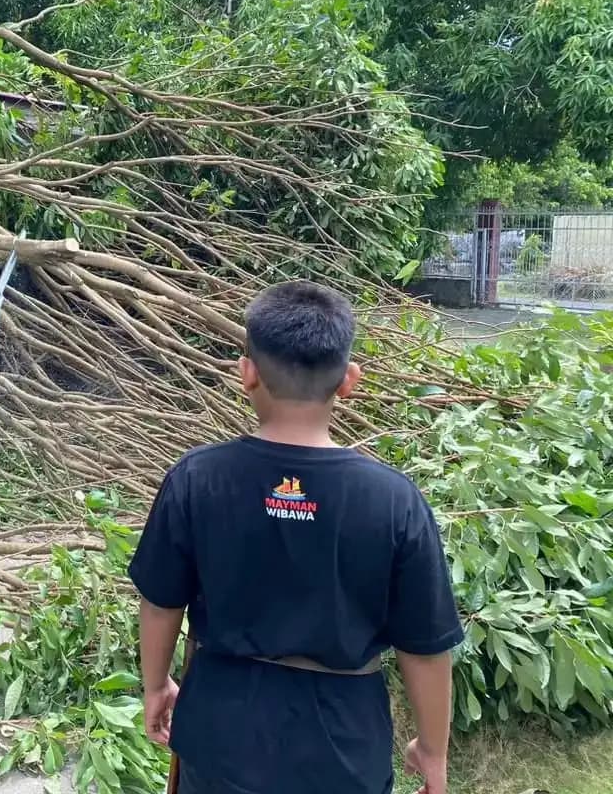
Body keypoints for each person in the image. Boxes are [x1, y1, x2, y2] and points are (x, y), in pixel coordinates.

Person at [130, 280, 464, 794]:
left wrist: (156, 685)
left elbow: (160, 602)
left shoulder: (198, 478)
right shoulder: (394, 501)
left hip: (222, 734)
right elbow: (424, 647)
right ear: (349, 381)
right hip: (343, 746)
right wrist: (434, 751)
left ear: (247, 373)